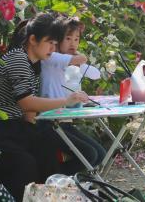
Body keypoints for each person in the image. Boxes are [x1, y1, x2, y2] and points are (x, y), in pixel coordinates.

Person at [0, 12, 88, 201]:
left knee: (47, 148)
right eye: (50, 42)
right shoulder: (18, 60)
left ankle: (51, 196)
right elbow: (27, 102)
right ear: (33, 40)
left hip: (11, 127)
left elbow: (29, 110)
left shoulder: (32, 63)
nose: (53, 48)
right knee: (25, 163)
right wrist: (66, 100)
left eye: (55, 44)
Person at [39, 16, 105, 173]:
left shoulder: (67, 61)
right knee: (89, 154)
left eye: (76, 39)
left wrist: (78, 61)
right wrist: (78, 58)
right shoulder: (50, 57)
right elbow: (81, 58)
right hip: (47, 121)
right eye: (68, 38)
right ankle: (51, 179)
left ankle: (64, 180)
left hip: (63, 121)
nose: (73, 43)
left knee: (100, 154)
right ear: (57, 39)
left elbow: (96, 74)